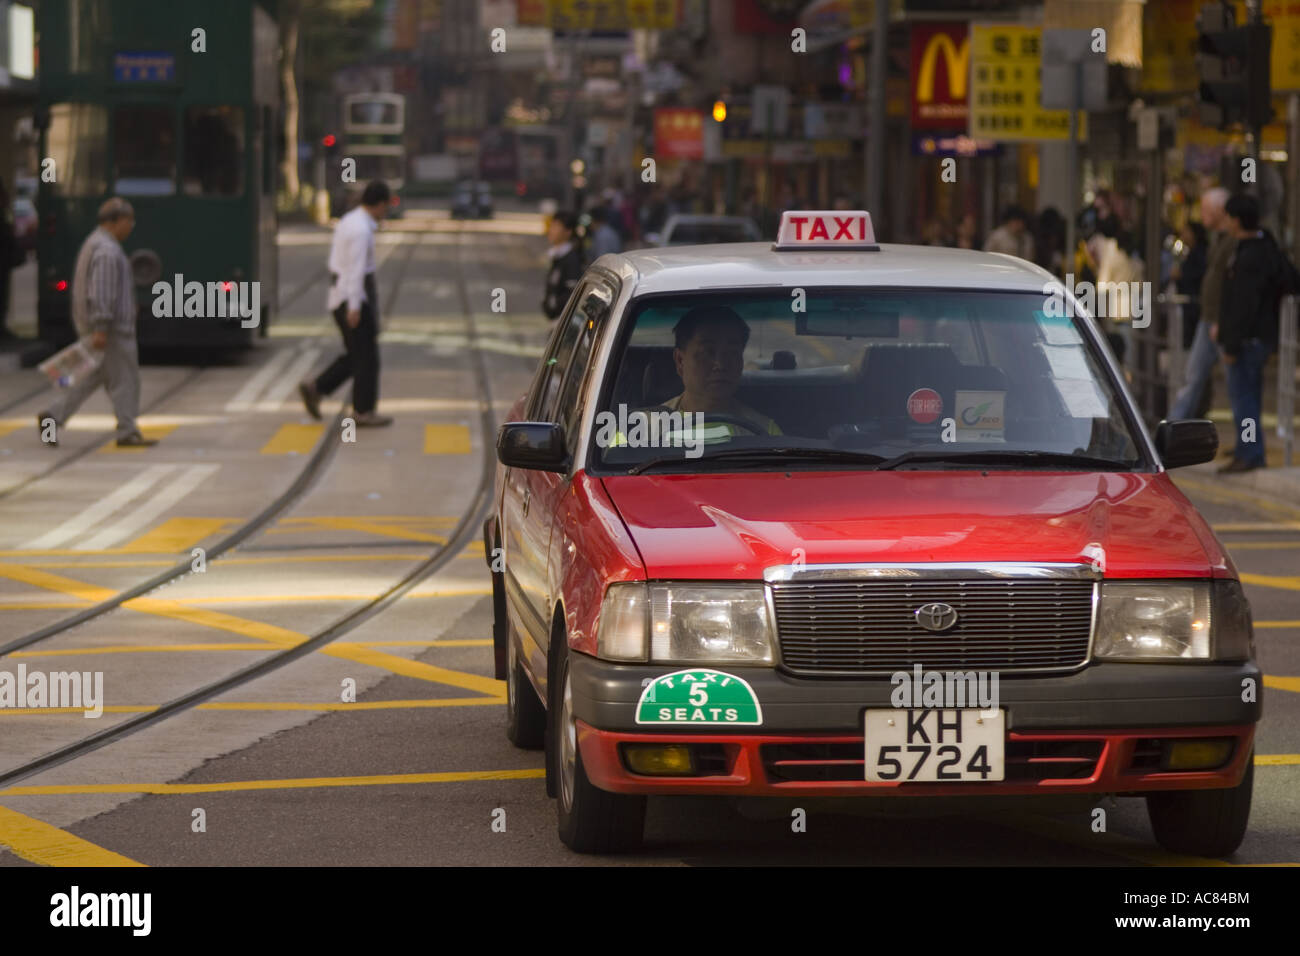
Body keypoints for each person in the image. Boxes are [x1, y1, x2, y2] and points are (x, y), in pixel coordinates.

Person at [37, 198, 156, 447]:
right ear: (116, 221)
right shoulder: (106, 250)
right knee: (126, 380)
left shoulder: (97, 243)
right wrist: (101, 327)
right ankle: (127, 431)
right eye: (129, 221)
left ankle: (53, 416)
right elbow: (101, 292)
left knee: (91, 378)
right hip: (111, 330)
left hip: (104, 328)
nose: (131, 226)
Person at [298, 180, 392, 427]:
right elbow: (356, 271)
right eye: (386, 206)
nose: (386, 212)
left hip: (341, 294)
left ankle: (316, 388)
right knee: (367, 357)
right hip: (353, 297)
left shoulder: (350, 220)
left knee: (356, 355)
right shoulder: (361, 230)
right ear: (380, 204)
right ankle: (363, 411)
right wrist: (354, 307)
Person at [1216, 193, 1295, 473]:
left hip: (1248, 339)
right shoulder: (1265, 247)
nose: (1224, 221)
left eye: (1227, 216)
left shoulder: (1250, 256)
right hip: (1258, 337)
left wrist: (1231, 344)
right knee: (1248, 397)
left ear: (1236, 220)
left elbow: (1243, 305)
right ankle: (1247, 447)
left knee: (1245, 398)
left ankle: (1249, 452)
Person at [658, 306, 781, 437]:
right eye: (707, 352)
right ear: (680, 361)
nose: (720, 364)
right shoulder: (647, 428)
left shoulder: (765, 432)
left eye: (732, 353)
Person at [1169, 188, 1234, 421]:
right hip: (1208, 318)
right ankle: (1173, 429)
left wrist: (1219, 319)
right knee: (1192, 377)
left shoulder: (1230, 241)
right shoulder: (1218, 241)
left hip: (1220, 320)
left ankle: (1248, 446)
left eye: (1207, 209)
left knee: (1235, 384)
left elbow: (1229, 285)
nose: (1202, 214)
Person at [542, 210, 584, 320]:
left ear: (568, 231)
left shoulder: (571, 260)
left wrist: (554, 305)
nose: (551, 230)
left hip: (562, 321)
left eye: (556, 227)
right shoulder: (557, 256)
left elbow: (571, 294)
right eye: (551, 226)